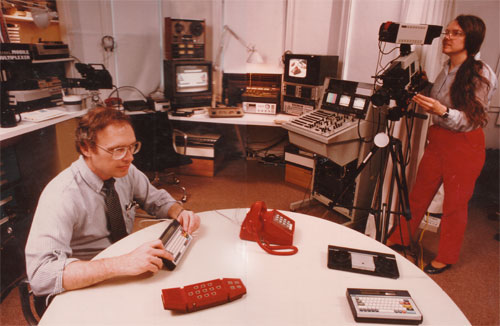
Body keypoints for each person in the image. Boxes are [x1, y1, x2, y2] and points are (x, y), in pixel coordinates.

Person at [25, 107, 201, 301]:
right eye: (118, 150)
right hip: (84, 287)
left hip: (122, 271)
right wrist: (121, 263)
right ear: (86, 148)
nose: (129, 157)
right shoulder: (61, 195)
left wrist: (179, 211)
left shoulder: (125, 170)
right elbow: (41, 276)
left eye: (132, 147)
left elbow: (156, 199)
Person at [387, 15, 498, 274]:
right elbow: (440, 101)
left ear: (470, 39)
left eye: (455, 33)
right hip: (439, 139)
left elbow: (472, 119)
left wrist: (443, 110)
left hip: (465, 144)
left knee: (455, 205)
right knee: (419, 193)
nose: (447, 37)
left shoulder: (481, 72)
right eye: (447, 32)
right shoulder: (446, 67)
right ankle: (401, 237)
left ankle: (447, 256)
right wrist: (425, 87)